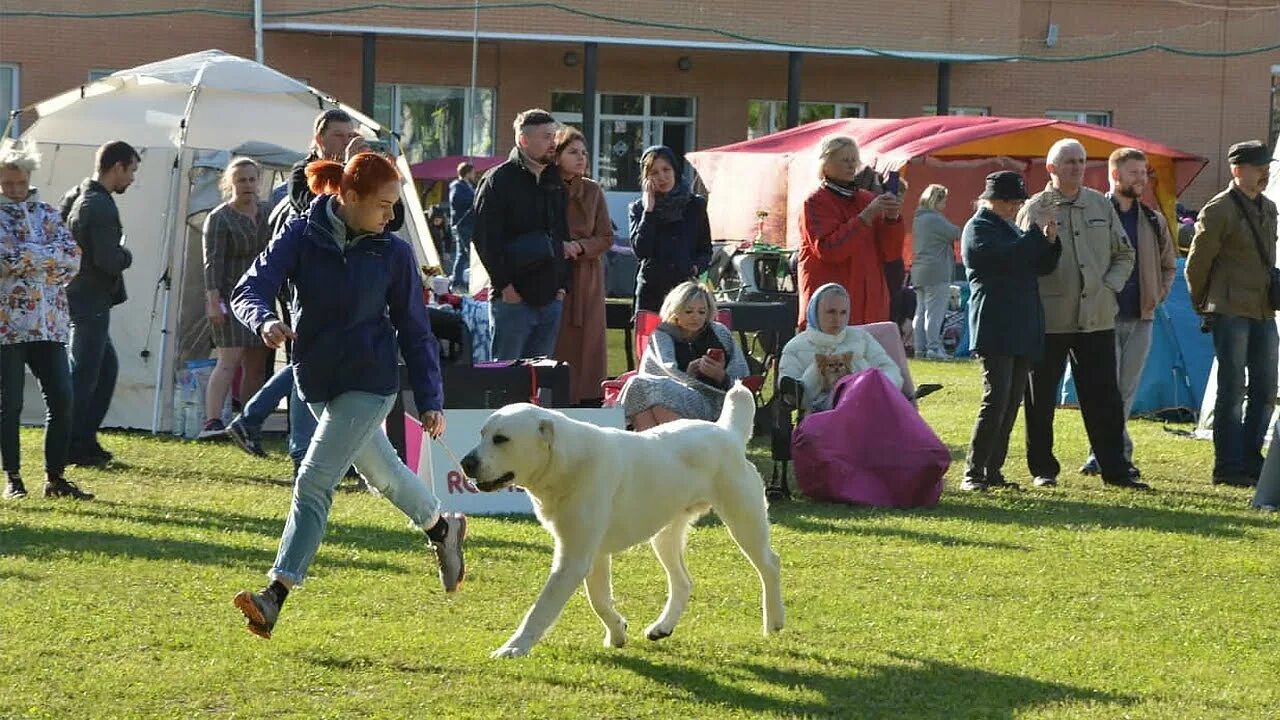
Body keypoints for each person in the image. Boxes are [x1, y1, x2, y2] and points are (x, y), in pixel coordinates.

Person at [229, 153, 466, 639]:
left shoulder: (393, 252)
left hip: (370, 380)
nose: (390, 217)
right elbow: (250, 288)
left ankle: (274, 594)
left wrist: (430, 399)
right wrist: (265, 321)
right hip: (315, 379)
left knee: (314, 481)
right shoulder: (299, 233)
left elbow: (416, 331)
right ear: (349, 197)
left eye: (395, 206)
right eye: (382, 206)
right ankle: (443, 528)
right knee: (384, 474)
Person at [1017, 138, 1143, 490]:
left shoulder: (1099, 205)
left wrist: (1109, 285)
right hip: (1050, 320)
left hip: (1097, 318)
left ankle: (1115, 469)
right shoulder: (1035, 207)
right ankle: (1043, 470)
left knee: (1105, 398)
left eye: (1081, 161)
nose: (1076, 167)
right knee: (1040, 398)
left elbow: (1125, 253)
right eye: (1068, 161)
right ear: (1052, 168)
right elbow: (1025, 262)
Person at [960, 171, 1062, 491]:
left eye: (1017, 200)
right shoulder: (979, 228)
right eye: (1009, 200)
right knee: (997, 398)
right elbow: (1002, 259)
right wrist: (1033, 237)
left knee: (1012, 399)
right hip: (996, 324)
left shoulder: (1008, 229)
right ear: (991, 200)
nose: (1013, 205)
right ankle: (974, 472)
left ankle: (993, 470)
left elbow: (1039, 266)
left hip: (1021, 325)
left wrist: (1050, 241)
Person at [1078, 148, 1176, 479]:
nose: (1142, 179)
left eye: (1144, 173)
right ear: (1115, 175)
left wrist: (1156, 296)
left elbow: (1168, 265)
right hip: (1102, 317)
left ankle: (1108, 454)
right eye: (1134, 173)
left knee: (1125, 391)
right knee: (1104, 390)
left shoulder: (1152, 219)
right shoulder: (1095, 214)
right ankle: (1110, 455)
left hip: (1141, 317)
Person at [0, 147, 91, 500]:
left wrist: (24, 258)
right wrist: (44, 258)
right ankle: (13, 477)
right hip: (8, 325)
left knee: (62, 398)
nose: (14, 189)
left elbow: (72, 259)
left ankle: (55, 476)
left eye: (19, 182)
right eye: (6, 183)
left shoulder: (48, 214)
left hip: (50, 323)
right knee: (10, 404)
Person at [1185, 140, 1277, 487]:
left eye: (1267, 165)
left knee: (1266, 389)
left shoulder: (1268, 208)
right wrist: (1203, 305)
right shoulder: (1218, 209)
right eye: (1258, 167)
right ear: (1238, 170)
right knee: (1232, 389)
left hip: (1263, 310)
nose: (1265, 172)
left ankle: (1252, 460)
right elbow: (1196, 264)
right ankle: (1227, 465)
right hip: (1230, 309)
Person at [61, 140, 139, 467]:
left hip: (81, 295)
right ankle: (74, 444)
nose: (132, 179)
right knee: (86, 373)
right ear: (117, 166)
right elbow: (108, 259)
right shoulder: (101, 205)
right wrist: (126, 254)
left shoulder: (77, 194)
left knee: (104, 370)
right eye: (131, 170)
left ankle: (84, 438)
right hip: (91, 298)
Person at [473, 108, 572, 361]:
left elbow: (562, 234)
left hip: (550, 298)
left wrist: (561, 287)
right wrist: (505, 287)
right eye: (546, 137)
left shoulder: (555, 182)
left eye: (554, 136)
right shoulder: (498, 180)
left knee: (540, 383)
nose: (553, 143)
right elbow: (485, 239)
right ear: (523, 140)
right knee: (505, 381)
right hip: (513, 300)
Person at [198, 157, 273, 438]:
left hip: (261, 298)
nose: (247, 185)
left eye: (252, 179)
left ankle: (247, 422)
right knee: (228, 360)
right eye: (241, 180)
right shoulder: (219, 217)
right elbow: (211, 263)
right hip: (230, 297)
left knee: (256, 365)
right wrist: (213, 300)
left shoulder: (267, 212)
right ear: (230, 183)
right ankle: (212, 421)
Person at [796, 135, 904, 329]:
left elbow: (891, 252)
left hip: (870, 308)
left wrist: (892, 219)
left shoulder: (867, 199)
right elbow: (829, 249)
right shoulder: (815, 202)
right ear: (825, 165)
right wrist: (865, 217)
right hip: (831, 309)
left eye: (854, 160)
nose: (851, 165)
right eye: (844, 160)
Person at [618, 281, 748, 430]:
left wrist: (719, 375)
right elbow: (658, 373)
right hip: (675, 397)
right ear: (675, 311)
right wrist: (688, 375)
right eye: (688, 311)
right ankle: (658, 448)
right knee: (646, 393)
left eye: (701, 312)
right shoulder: (663, 335)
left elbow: (741, 379)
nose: (696, 317)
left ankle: (669, 447)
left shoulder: (719, 333)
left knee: (645, 389)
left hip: (716, 401)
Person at [551, 126, 612, 406]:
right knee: (559, 339)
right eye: (573, 152)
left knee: (589, 342)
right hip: (554, 273)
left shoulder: (592, 190)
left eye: (584, 153)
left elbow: (606, 236)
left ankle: (588, 399)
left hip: (587, 277)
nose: (581, 158)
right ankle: (559, 396)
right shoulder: (546, 186)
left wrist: (581, 247)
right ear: (558, 154)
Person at [778, 283, 902, 412]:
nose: (837, 319)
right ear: (815, 311)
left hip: (868, 405)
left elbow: (889, 369)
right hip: (820, 416)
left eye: (843, 313)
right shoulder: (796, 346)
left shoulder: (861, 337)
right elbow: (790, 390)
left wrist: (876, 386)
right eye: (831, 312)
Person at [628, 145, 712, 315]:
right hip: (651, 293)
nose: (662, 177)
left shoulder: (695, 205)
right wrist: (649, 211)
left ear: (675, 170)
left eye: (666, 169)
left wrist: (694, 267)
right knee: (649, 341)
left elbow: (705, 249)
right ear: (646, 178)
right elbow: (641, 250)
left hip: (684, 293)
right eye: (654, 173)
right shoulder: (638, 208)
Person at [911, 184, 960, 359]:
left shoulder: (918, 218)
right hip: (937, 271)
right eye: (943, 201)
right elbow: (955, 233)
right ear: (935, 200)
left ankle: (919, 348)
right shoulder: (935, 219)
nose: (945, 206)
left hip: (918, 271)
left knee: (921, 311)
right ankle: (933, 348)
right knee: (934, 313)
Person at [449, 162, 478, 292]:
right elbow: (456, 201)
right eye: (472, 172)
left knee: (464, 254)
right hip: (462, 224)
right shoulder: (457, 186)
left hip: (468, 224)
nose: (474, 174)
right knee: (464, 254)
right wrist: (473, 202)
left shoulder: (469, 186)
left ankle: (458, 281)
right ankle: (457, 282)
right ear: (467, 173)